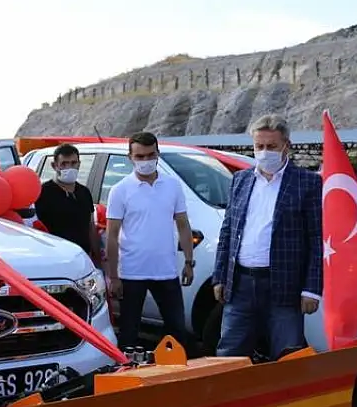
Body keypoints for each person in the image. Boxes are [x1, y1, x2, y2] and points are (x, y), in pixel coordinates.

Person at [212, 114, 322, 359]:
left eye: (271, 146)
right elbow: (228, 230)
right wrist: (220, 276)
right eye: (259, 146)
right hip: (240, 284)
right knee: (229, 354)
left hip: (284, 286)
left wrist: (312, 289)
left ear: (286, 146)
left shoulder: (307, 183)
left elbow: (316, 239)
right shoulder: (241, 180)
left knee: (287, 355)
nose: (264, 152)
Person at [104, 132, 195, 349]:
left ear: (157, 154)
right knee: (129, 332)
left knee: (177, 330)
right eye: (140, 156)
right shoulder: (120, 190)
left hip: (166, 271)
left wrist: (189, 262)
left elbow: (183, 225)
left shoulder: (172, 186)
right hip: (131, 273)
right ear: (130, 157)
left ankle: (175, 368)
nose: (145, 161)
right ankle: (128, 368)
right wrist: (114, 276)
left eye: (150, 155)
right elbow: (112, 235)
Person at [34, 143, 101, 266]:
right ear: (54, 166)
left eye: (73, 163)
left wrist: (97, 257)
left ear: (79, 164)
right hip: (56, 259)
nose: (69, 168)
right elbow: (37, 230)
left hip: (83, 258)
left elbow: (91, 226)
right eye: (64, 164)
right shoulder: (43, 193)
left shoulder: (84, 192)